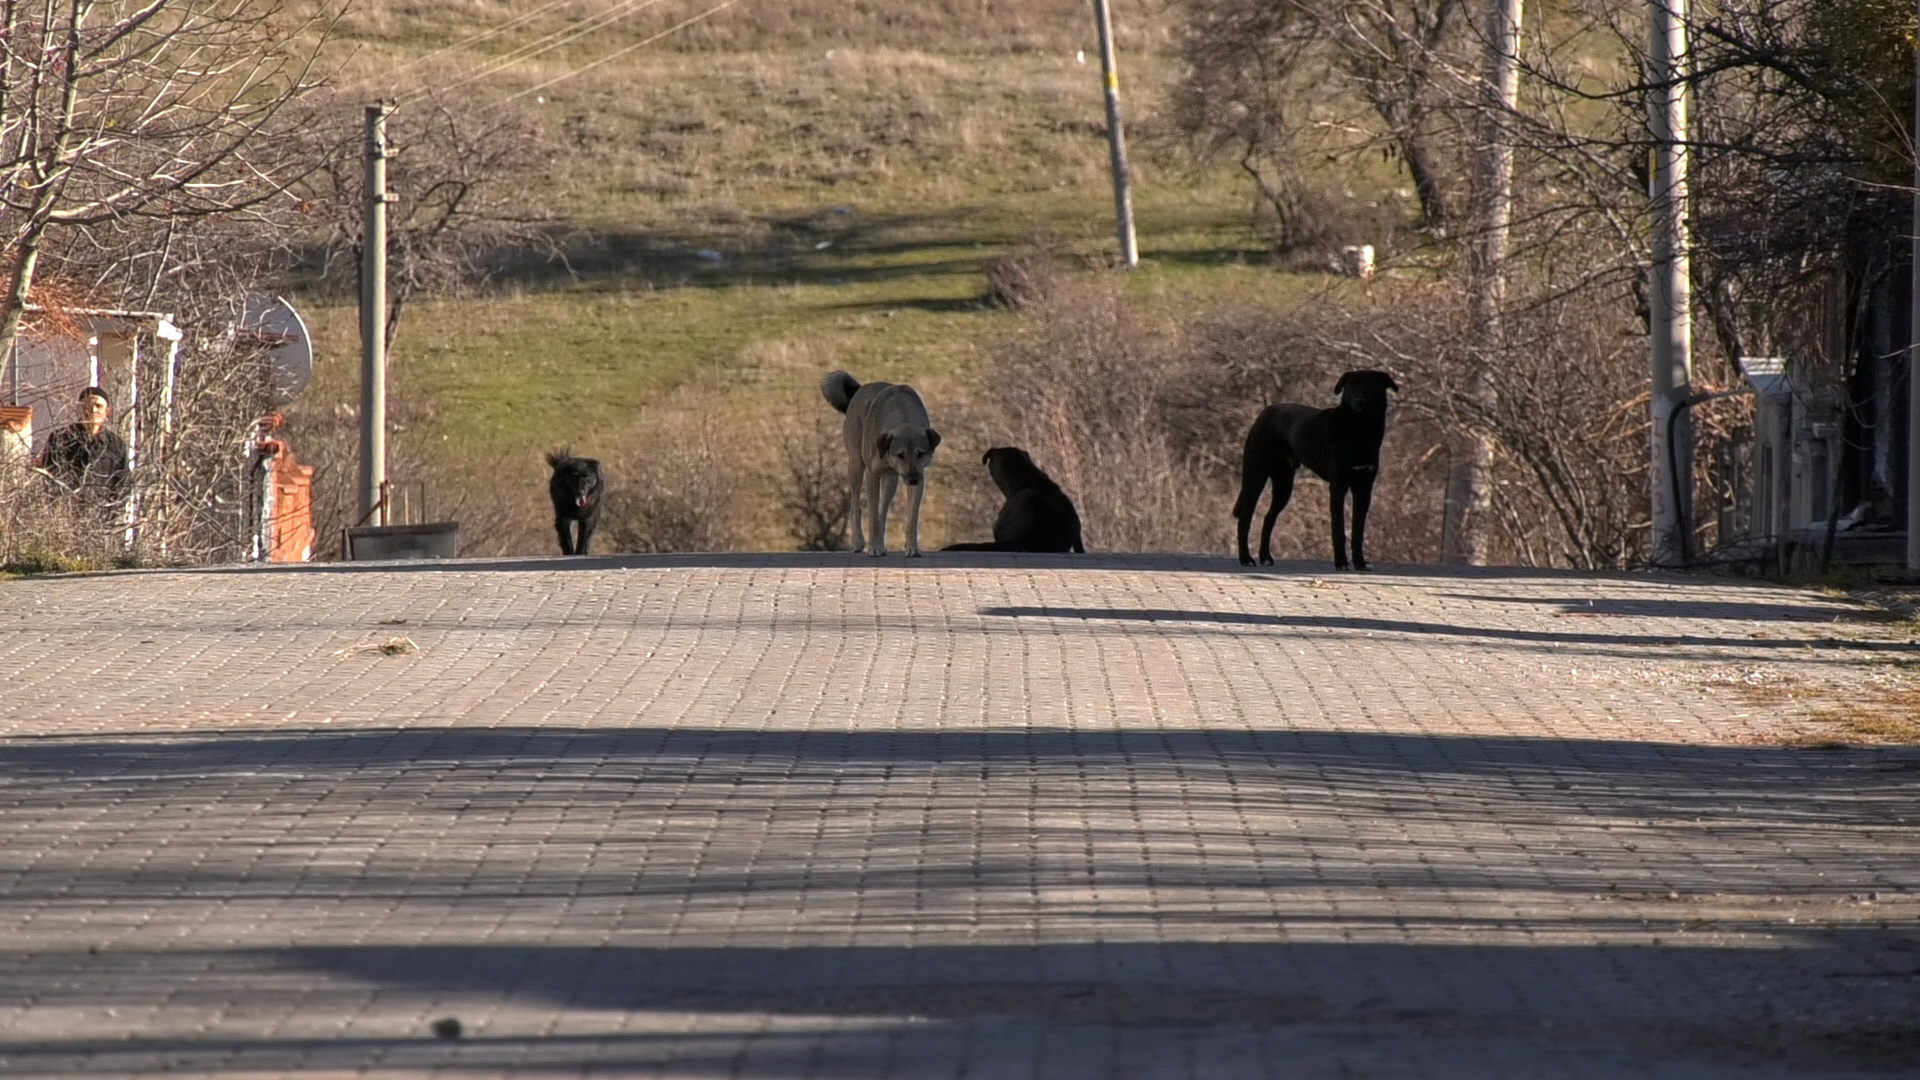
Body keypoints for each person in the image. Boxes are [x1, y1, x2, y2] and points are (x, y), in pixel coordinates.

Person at [34, 386, 130, 497]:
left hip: (101, 510)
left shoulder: (117, 445)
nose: (93, 410)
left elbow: (122, 487)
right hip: (65, 509)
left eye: (98, 406)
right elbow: (49, 477)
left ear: (107, 411)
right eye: (88, 405)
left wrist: (109, 512)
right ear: (80, 408)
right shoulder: (61, 438)